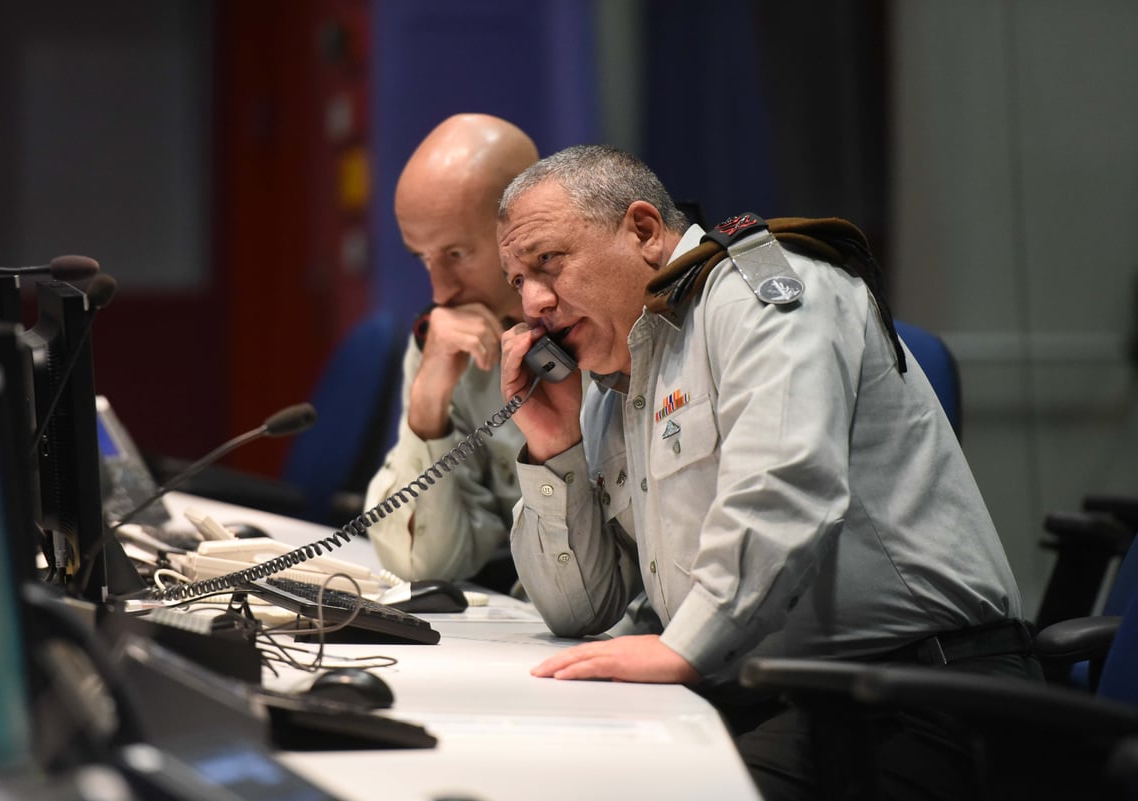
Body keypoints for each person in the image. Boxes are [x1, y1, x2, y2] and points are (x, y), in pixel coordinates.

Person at [496, 144, 1038, 799]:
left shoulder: (768, 291)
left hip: (914, 696)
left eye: (547, 263)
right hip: (768, 692)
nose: (533, 303)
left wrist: (683, 647)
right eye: (517, 281)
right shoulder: (614, 375)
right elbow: (577, 608)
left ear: (641, 229)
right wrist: (555, 449)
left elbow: (785, 487)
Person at [364, 114, 538, 589]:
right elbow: (425, 563)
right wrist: (427, 405)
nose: (440, 293)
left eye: (457, 254)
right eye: (423, 257)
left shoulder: (605, 331)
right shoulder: (445, 344)